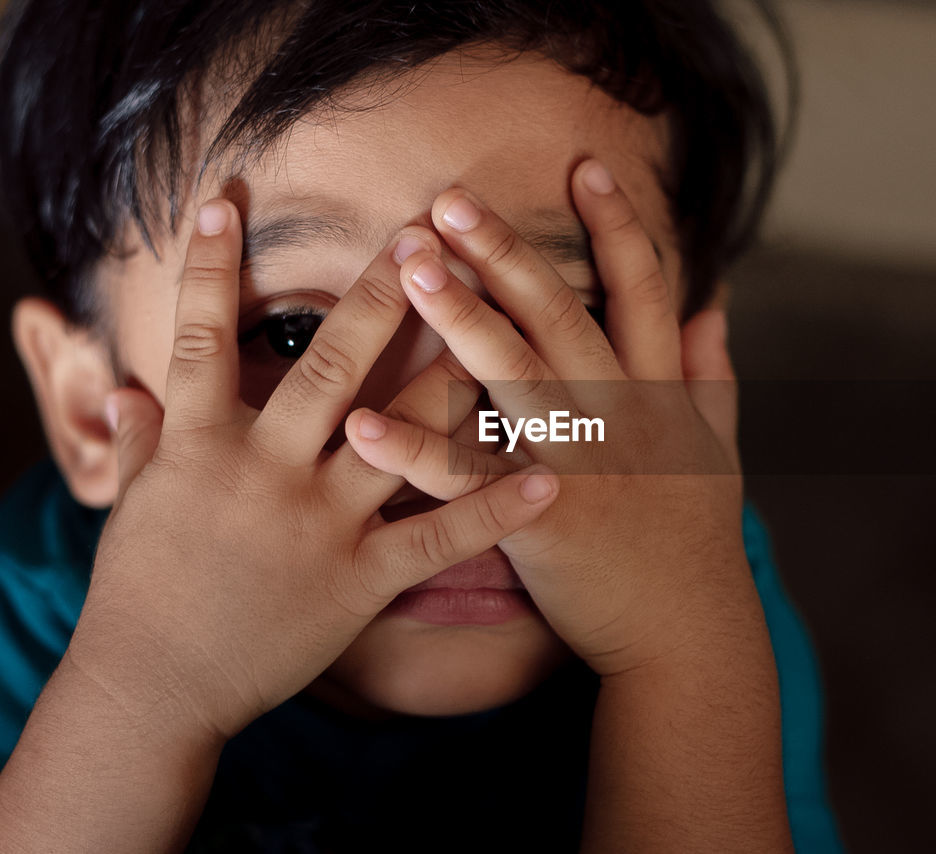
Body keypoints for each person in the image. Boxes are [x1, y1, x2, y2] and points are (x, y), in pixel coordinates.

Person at [0, 0, 843, 850]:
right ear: (88, 415)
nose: (448, 449)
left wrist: (680, 655)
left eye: (556, 328)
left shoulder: (694, 584)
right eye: (295, 334)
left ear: (693, 383)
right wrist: (146, 692)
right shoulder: (25, 624)